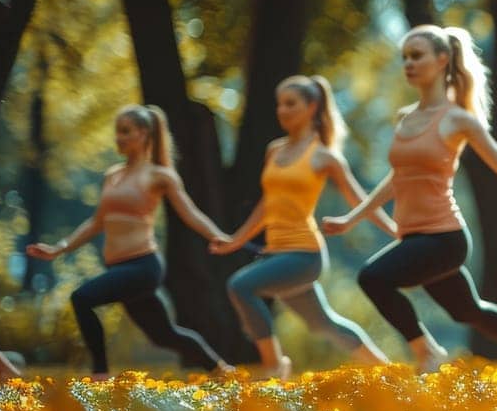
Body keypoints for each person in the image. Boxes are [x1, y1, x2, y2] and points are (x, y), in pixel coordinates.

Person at [323, 25, 497, 374]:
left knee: (373, 278)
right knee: (467, 310)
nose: (409, 64)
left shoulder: (458, 120)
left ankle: (426, 350)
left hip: (444, 238)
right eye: (405, 58)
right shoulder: (405, 119)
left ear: (442, 59)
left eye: (417, 56)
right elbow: (396, 180)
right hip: (413, 235)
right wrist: (351, 218)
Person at [28, 105, 234, 378]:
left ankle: (100, 373)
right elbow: (97, 222)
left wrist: (219, 237)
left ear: (144, 133)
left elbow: (190, 213)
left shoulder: (159, 175)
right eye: (117, 132)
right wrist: (59, 248)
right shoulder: (112, 175)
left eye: (126, 132)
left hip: (143, 266)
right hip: (120, 268)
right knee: (165, 335)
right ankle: (221, 370)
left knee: (82, 298)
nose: (119, 138)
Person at [211, 76, 393, 376]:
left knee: (240, 286)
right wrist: (235, 240)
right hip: (275, 252)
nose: (282, 110)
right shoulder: (275, 150)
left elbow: (358, 198)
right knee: (323, 324)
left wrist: (392, 228)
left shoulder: (324, 156)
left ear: (311, 107)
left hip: (304, 255)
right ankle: (387, 371)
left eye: (290, 103)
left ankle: (274, 366)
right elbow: (267, 205)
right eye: (279, 104)